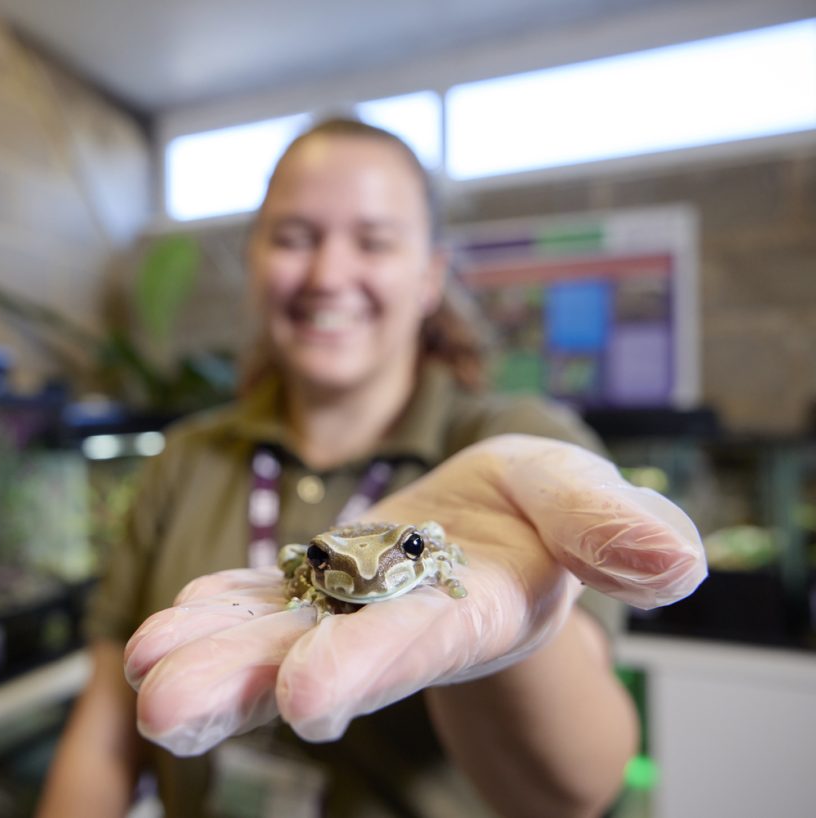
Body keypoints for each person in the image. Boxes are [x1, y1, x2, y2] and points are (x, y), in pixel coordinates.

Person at [36, 119, 706, 818]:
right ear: (257, 259)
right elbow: (108, 729)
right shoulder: (183, 460)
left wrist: (500, 629)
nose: (329, 275)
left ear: (429, 275)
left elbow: (577, 790)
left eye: (374, 240)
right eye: (295, 237)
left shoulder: (515, 446)